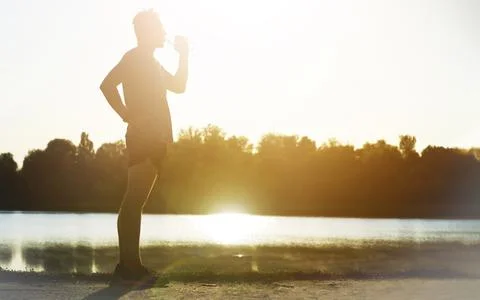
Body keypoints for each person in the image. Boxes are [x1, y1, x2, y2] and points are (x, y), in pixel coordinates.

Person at [100, 9, 189, 284]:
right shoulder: (135, 57)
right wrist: (127, 115)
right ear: (147, 31)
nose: (164, 33)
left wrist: (184, 56)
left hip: (156, 138)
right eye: (160, 28)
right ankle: (128, 266)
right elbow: (106, 85)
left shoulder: (151, 62)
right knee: (134, 199)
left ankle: (130, 264)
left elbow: (179, 86)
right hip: (143, 137)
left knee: (136, 200)